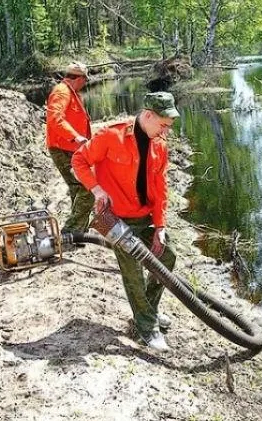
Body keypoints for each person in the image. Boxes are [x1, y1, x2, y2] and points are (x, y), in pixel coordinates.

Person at [71, 92, 180, 351]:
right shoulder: (112, 136)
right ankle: (146, 328)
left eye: (169, 126)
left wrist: (160, 226)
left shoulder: (160, 145)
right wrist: (96, 189)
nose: (166, 130)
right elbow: (79, 160)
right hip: (117, 220)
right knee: (133, 272)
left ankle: (148, 311)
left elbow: (161, 187)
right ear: (148, 115)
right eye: (163, 124)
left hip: (146, 217)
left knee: (167, 258)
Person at [46, 61, 94, 235]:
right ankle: (71, 231)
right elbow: (54, 118)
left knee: (77, 188)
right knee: (88, 189)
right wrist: (75, 136)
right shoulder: (62, 91)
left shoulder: (71, 92)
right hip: (62, 148)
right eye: (85, 80)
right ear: (78, 78)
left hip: (70, 148)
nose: (85, 84)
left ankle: (80, 230)